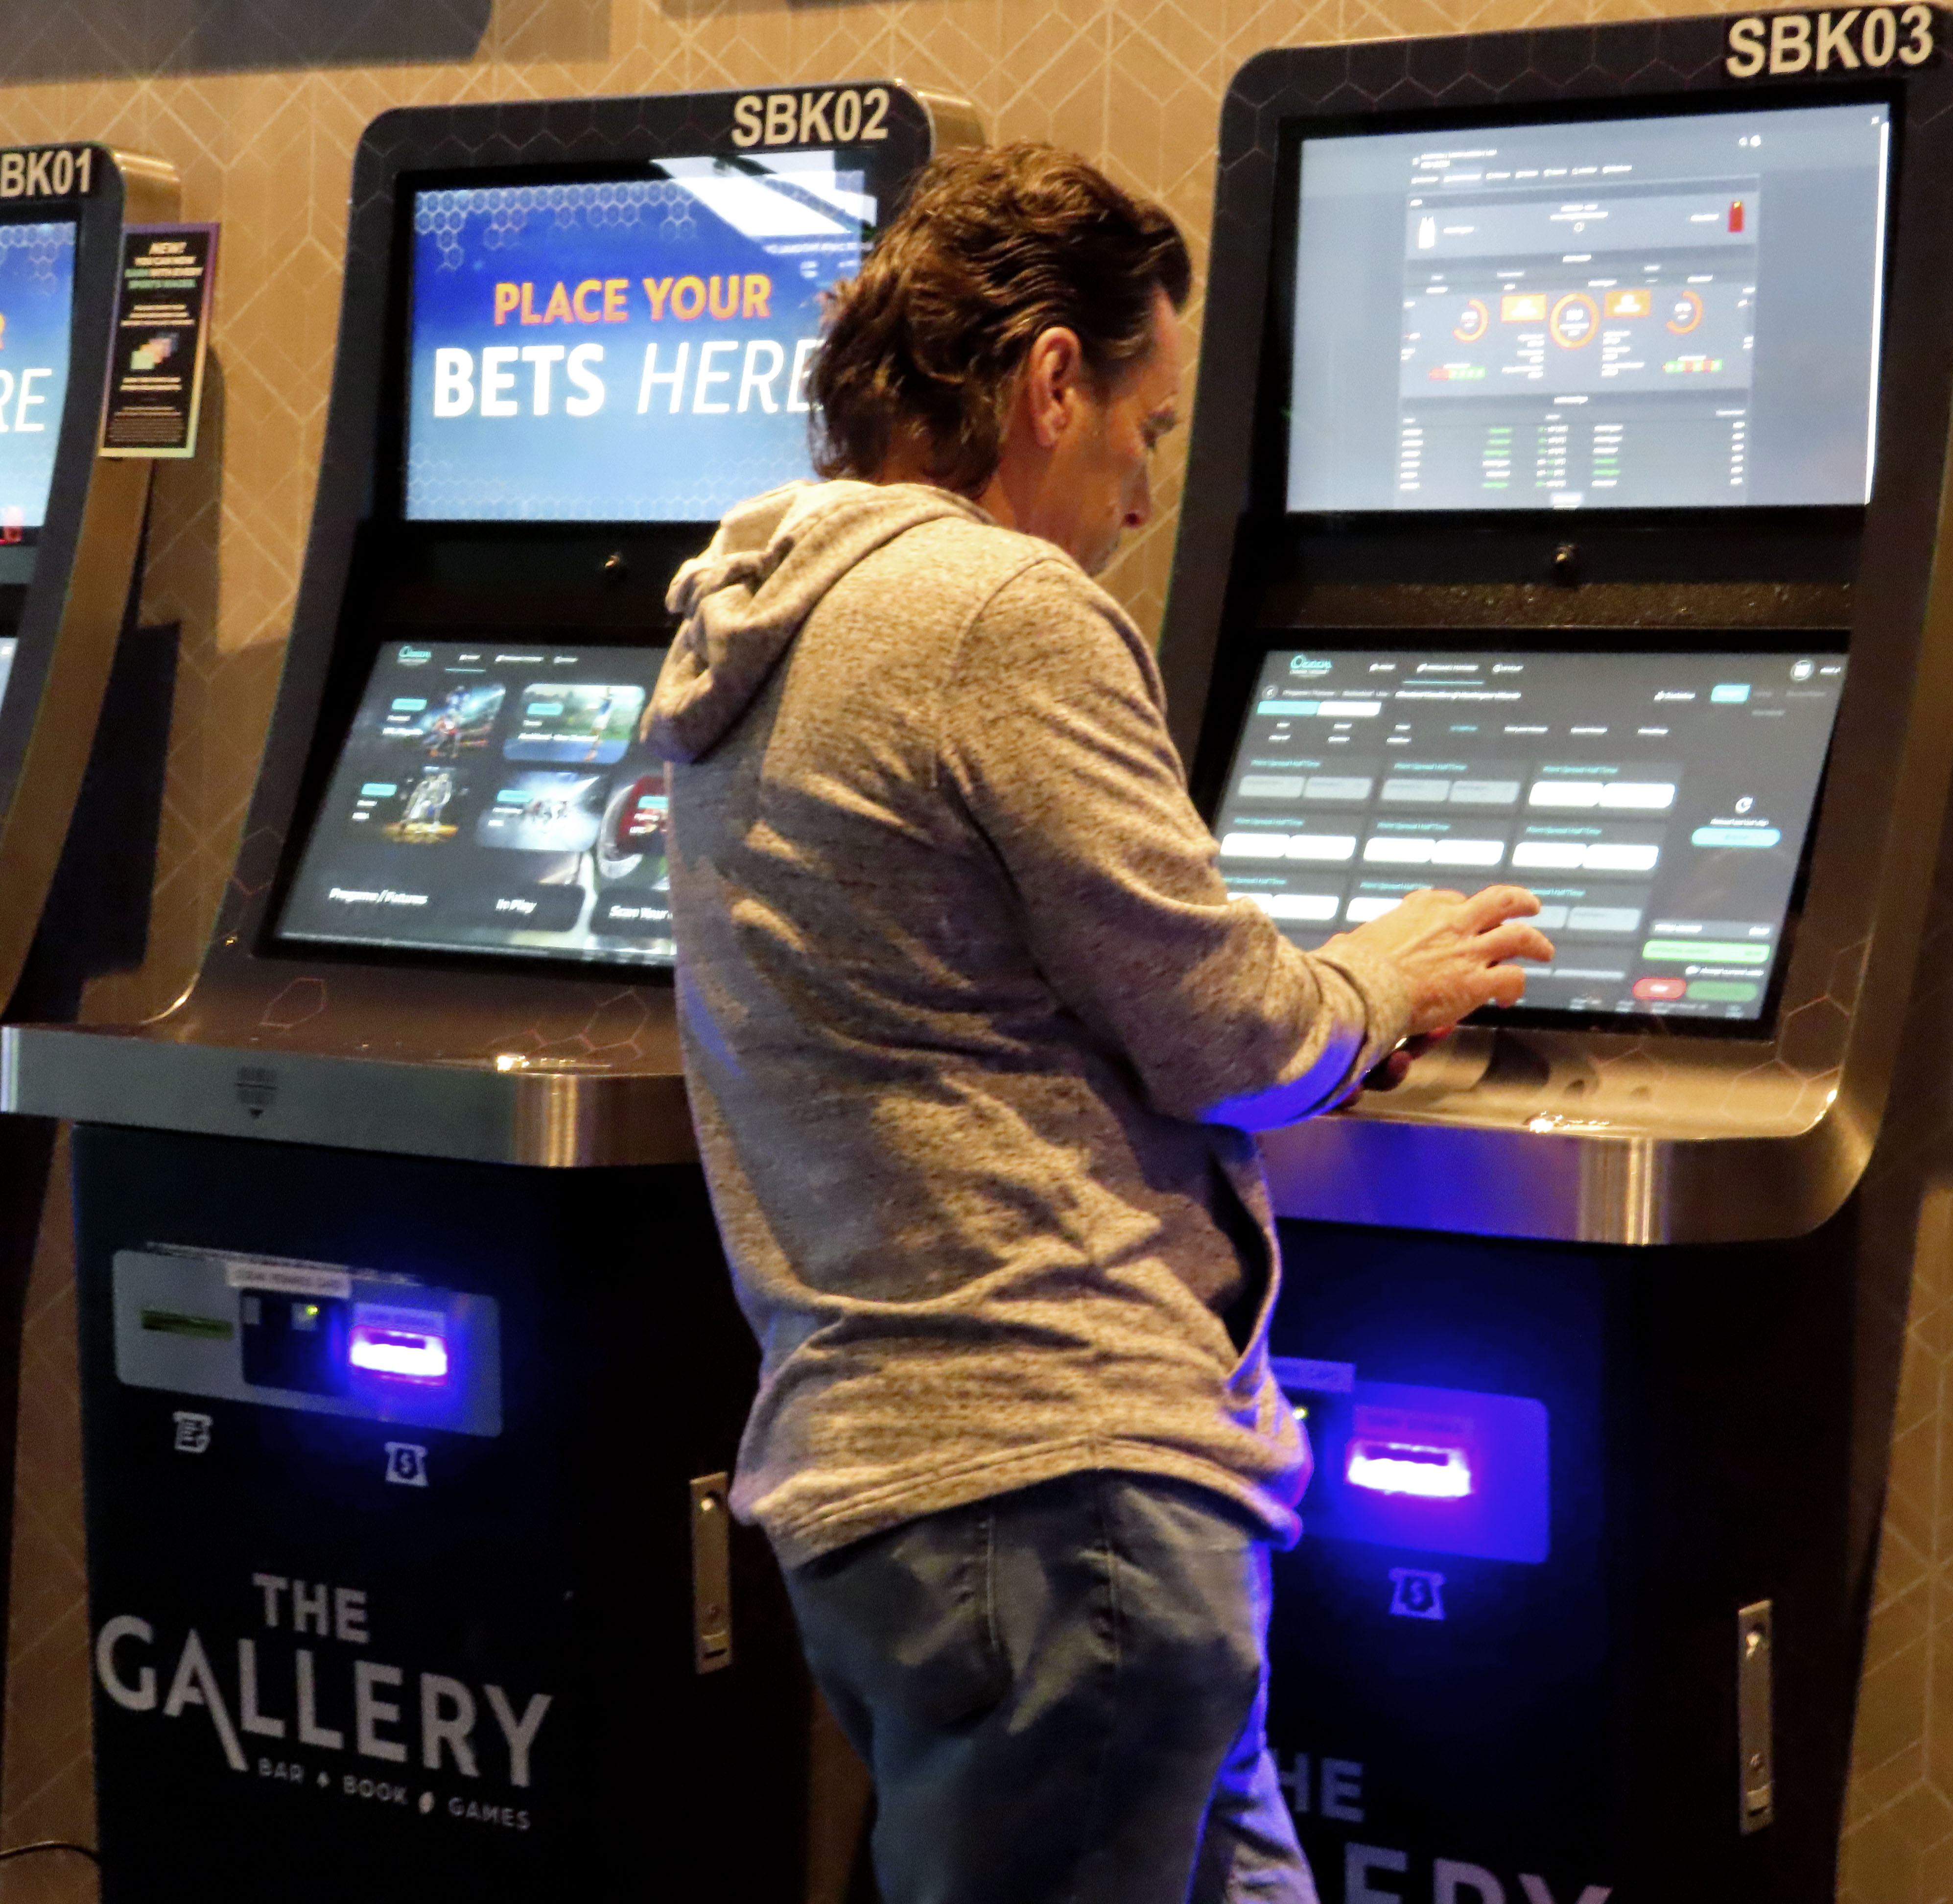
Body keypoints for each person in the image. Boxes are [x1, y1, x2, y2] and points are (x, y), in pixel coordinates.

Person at [643, 142, 1551, 1904]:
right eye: (1146, 428)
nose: (1144, 498)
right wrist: (1385, 978)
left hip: (907, 1489)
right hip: (1055, 1496)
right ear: (1053, 380)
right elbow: (1235, 1035)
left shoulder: (767, 607)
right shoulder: (996, 607)